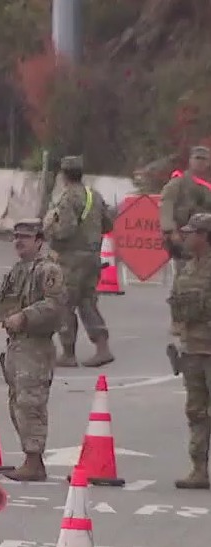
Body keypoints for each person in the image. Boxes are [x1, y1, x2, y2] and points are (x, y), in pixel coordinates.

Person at [0, 219, 65, 482]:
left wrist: (25, 317)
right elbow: (3, 311)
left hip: (35, 347)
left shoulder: (48, 270)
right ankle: (30, 457)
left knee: (31, 403)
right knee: (17, 403)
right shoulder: (16, 271)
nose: (19, 241)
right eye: (16, 236)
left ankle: (35, 460)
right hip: (16, 346)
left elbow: (55, 306)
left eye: (25, 237)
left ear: (39, 240)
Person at [42, 155, 115, 367]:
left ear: (63, 175)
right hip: (92, 258)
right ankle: (103, 348)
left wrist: (48, 229)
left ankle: (68, 353)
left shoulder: (67, 199)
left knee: (64, 304)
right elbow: (108, 225)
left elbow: (66, 230)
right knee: (88, 303)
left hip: (70, 260)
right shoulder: (95, 196)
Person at [168, 212, 211, 490]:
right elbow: (176, 304)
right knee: (196, 411)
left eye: (191, 232)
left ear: (205, 236)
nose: (185, 236)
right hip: (193, 349)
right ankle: (199, 469)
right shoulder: (186, 268)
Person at [161, 146, 211, 336]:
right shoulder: (179, 183)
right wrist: (170, 230)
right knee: (184, 278)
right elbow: (167, 205)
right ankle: (179, 319)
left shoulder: (207, 184)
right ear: (190, 160)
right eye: (197, 158)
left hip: (206, 238)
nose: (200, 162)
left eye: (204, 158)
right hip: (185, 236)